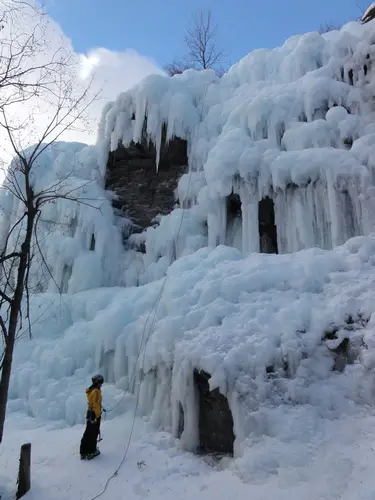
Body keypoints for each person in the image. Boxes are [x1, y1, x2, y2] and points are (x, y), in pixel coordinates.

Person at [80, 374, 105, 460]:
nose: (102, 384)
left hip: (91, 414)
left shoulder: (93, 390)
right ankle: (90, 451)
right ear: (97, 383)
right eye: (100, 382)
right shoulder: (96, 392)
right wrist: (97, 416)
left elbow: (95, 403)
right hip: (94, 415)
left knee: (89, 433)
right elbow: (94, 404)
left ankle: (84, 451)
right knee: (92, 433)